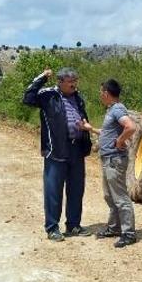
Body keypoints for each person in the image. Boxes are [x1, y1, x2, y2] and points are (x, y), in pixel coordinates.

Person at [23, 67, 92, 242]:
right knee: (53, 191)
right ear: (60, 82)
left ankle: (73, 225)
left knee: (76, 189)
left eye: (75, 82)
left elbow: (83, 117)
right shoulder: (48, 95)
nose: (74, 85)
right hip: (56, 150)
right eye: (70, 82)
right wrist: (42, 77)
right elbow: (28, 98)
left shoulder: (78, 97)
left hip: (76, 149)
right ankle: (52, 228)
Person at [81, 79, 138, 248]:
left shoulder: (118, 109)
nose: (100, 96)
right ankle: (114, 227)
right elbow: (107, 132)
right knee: (109, 196)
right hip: (108, 159)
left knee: (120, 197)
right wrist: (90, 129)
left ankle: (128, 233)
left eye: (101, 93)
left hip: (115, 159)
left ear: (106, 93)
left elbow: (131, 127)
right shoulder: (112, 110)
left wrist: (120, 141)